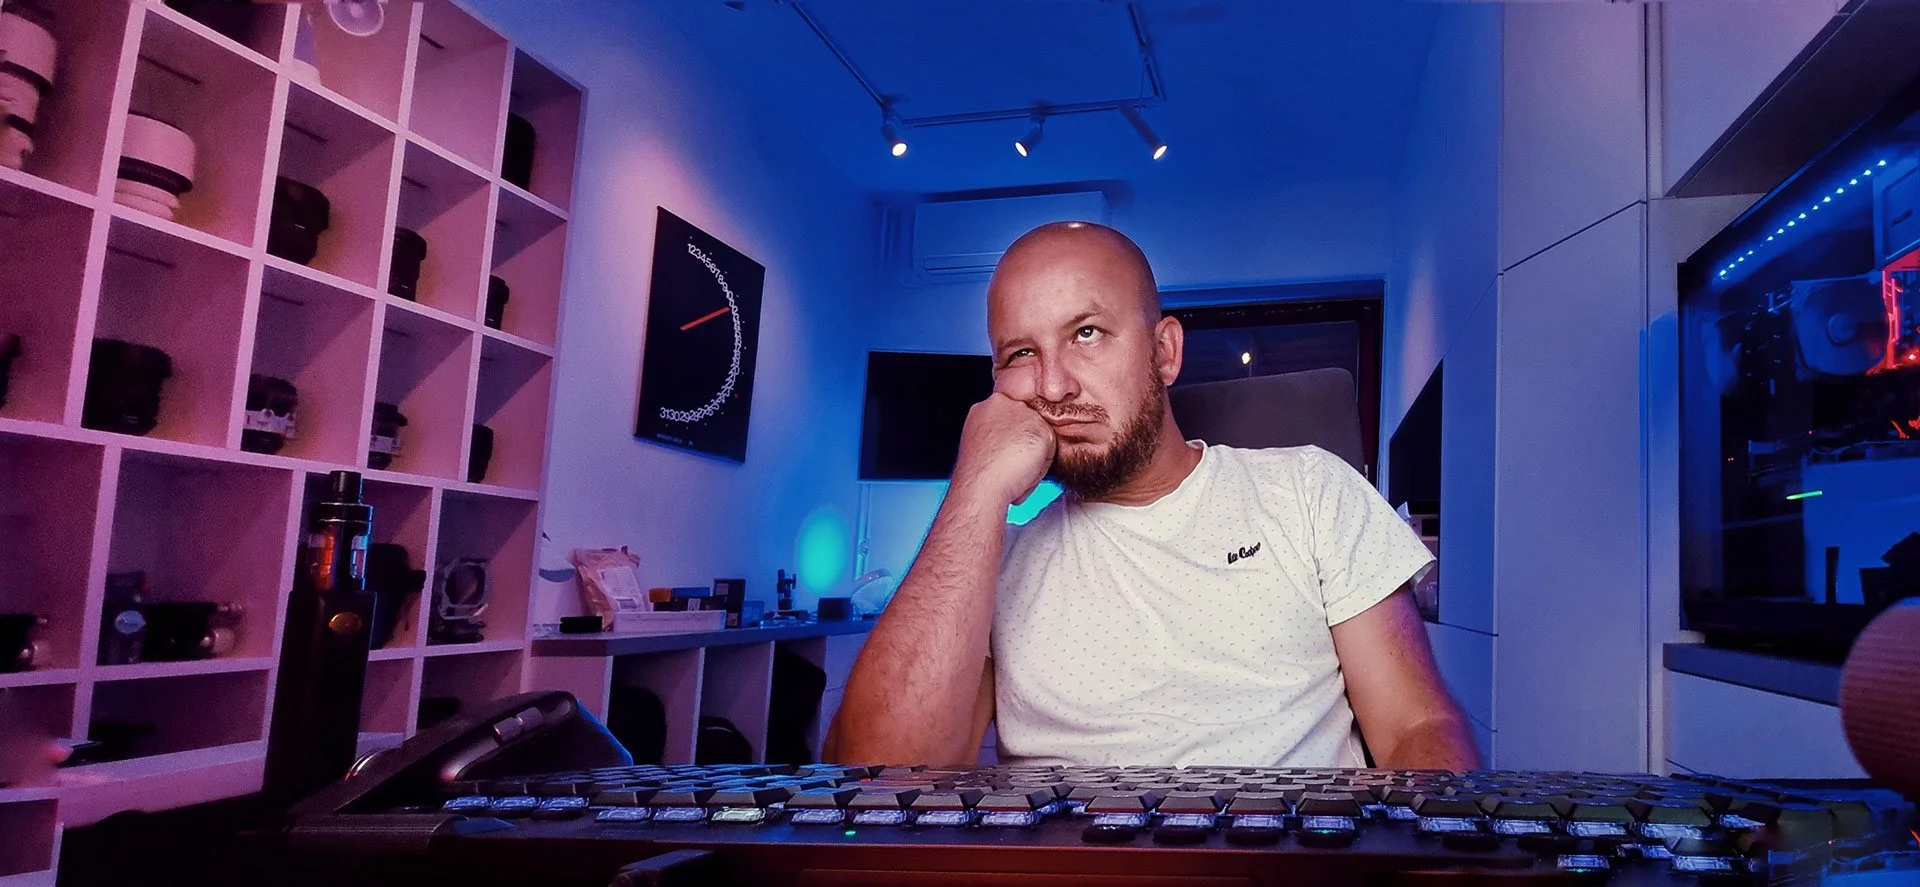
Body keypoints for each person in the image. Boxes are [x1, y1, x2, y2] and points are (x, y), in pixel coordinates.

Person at [827, 221, 1478, 770]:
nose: (1053, 387)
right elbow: (874, 778)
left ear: (1164, 352)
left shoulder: (1311, 491)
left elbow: (1416, 729)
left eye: (1086, 333)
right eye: (1021, 352)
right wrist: (974, 487)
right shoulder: (990, 559)